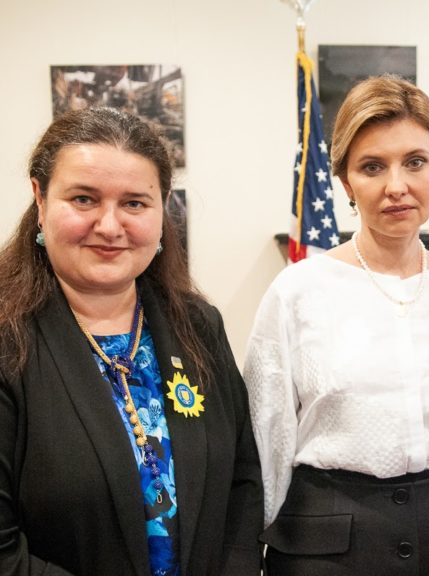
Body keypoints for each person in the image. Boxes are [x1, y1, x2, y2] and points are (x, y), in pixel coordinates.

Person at [244, 76, 429, 575]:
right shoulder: (297, 291)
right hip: (324, 546)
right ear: (345, 182)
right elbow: (268, 435)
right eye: (372, 167)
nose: (396, 186)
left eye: (415, 162)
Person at [0, 107, 263, 575]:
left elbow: (242, 486)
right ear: (39, 201)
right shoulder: (8, 342)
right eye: (83, 199)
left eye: (134, 203)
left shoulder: (198, 325)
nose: (109, 225)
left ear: (163, 209)